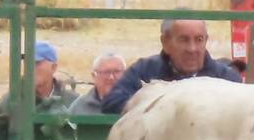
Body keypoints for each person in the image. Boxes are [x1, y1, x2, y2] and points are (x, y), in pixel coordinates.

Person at [102, 19, 244, 114]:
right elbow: (112, 103)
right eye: (184, 40)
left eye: (199, 40)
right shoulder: (144, 71)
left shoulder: (227, 78)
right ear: (165, 42)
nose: (192, 49)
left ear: (206, 40)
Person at [0, 40, 73, 115]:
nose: (30, 68)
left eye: (36, 63)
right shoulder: (11, 102)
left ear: (53, 67)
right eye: (27, 62)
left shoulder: (71, 101)